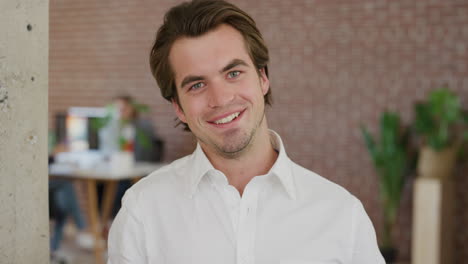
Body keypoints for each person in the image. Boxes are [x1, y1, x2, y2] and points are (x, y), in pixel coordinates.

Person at [108, 1, 385, 263]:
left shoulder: (341, 214)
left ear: (263, 78)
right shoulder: (143, 210)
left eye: (233, 73)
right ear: (178, 107)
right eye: (197, 86)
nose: (221, 98)